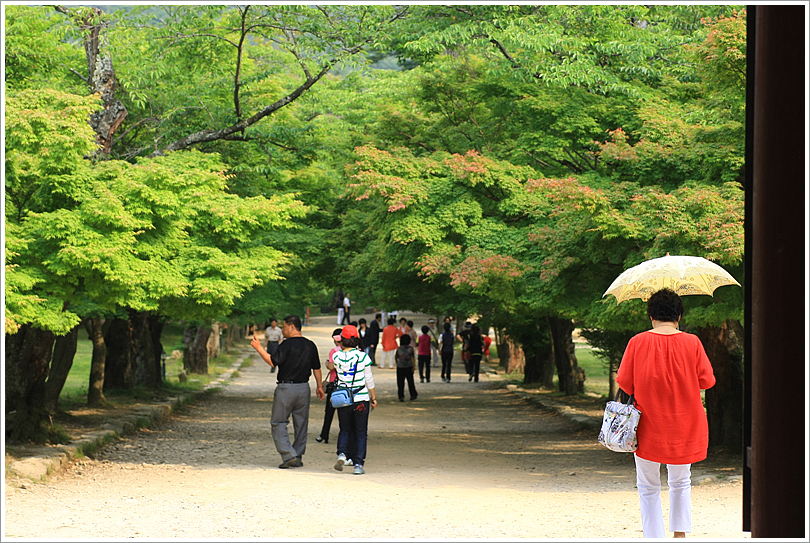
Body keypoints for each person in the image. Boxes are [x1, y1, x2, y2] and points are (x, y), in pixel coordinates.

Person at [616, 288, 716, 539]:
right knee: (681, 481)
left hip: (647, 424)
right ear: (679, 316)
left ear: (651, 316)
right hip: (686, 422)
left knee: (648, 486)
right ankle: (680, 534)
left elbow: (625, 383)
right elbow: (707, 380)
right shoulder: (692, 342)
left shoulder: (637, 342)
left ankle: (653, 536)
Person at [250, 315, 324, 469]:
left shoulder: (286, 345)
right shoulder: (310, 345)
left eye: (283, 327)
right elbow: (316, 368)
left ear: (291, 326)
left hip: (286, 388)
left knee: (278, 422)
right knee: (301, 424)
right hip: (304, 388)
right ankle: (297, 454)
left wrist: (259, 348)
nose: (282, 330)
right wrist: (319, 386)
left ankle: (288, 455)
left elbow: (272, 361)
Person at [332, 325, 377, 475]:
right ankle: (358, 464)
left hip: (343, 398)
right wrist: (374, 397)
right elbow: (368, 379)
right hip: (361, 398)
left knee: (345, 428)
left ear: (342, 340)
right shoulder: (363, 356)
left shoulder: (336, 357)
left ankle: (342, 454)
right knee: (361, 432)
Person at [315, 329, 343, 445]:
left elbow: (331, 367)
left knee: (329, 411)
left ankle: (324, 434)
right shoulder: (354, 350)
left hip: (334, 384)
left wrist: (327, 363)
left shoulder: (335, 351)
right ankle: (344, 436)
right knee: (344, 414)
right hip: (347, 385)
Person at [395, 334, 418, 401]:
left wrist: (397, 363)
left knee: (400, 382)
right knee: (410, 381)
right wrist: (414, 366)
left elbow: (396, 357)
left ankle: (401, 396)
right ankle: (413, 394)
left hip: (400, 367)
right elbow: (412, 358)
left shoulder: (399, 349)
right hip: (408, 366)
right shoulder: (410, 349)